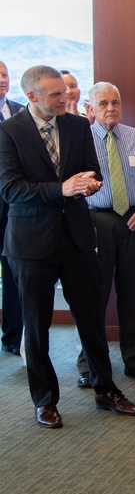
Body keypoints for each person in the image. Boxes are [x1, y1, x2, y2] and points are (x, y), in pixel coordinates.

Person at [0, 65, 135, 428]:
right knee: (36, 325)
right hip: (30, 244)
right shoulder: (8, 132)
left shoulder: (78, 126)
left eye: (65, 92)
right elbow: (10, 189)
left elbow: (91, 170)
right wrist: (61, 189)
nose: (66, 99)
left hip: (77, 237)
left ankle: (105, 389)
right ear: (32, 97)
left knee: (92, 318)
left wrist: (90, 184)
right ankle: (45, 400)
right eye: (55, 95)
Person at [78, 82, 135, 385]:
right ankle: (89, 364)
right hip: (95, 223)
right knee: (92, 298)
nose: (110, 108)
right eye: (103, 103)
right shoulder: (81, 139)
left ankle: (134, 359)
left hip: (132, 222)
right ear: (90, 108)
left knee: (132, 294)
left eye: (115, 102)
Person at [0, 59, 25, 356]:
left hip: (16, 206)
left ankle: (13, 336)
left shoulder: (21, 111)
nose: (2, 80)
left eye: (5, 75)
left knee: (14, 273)